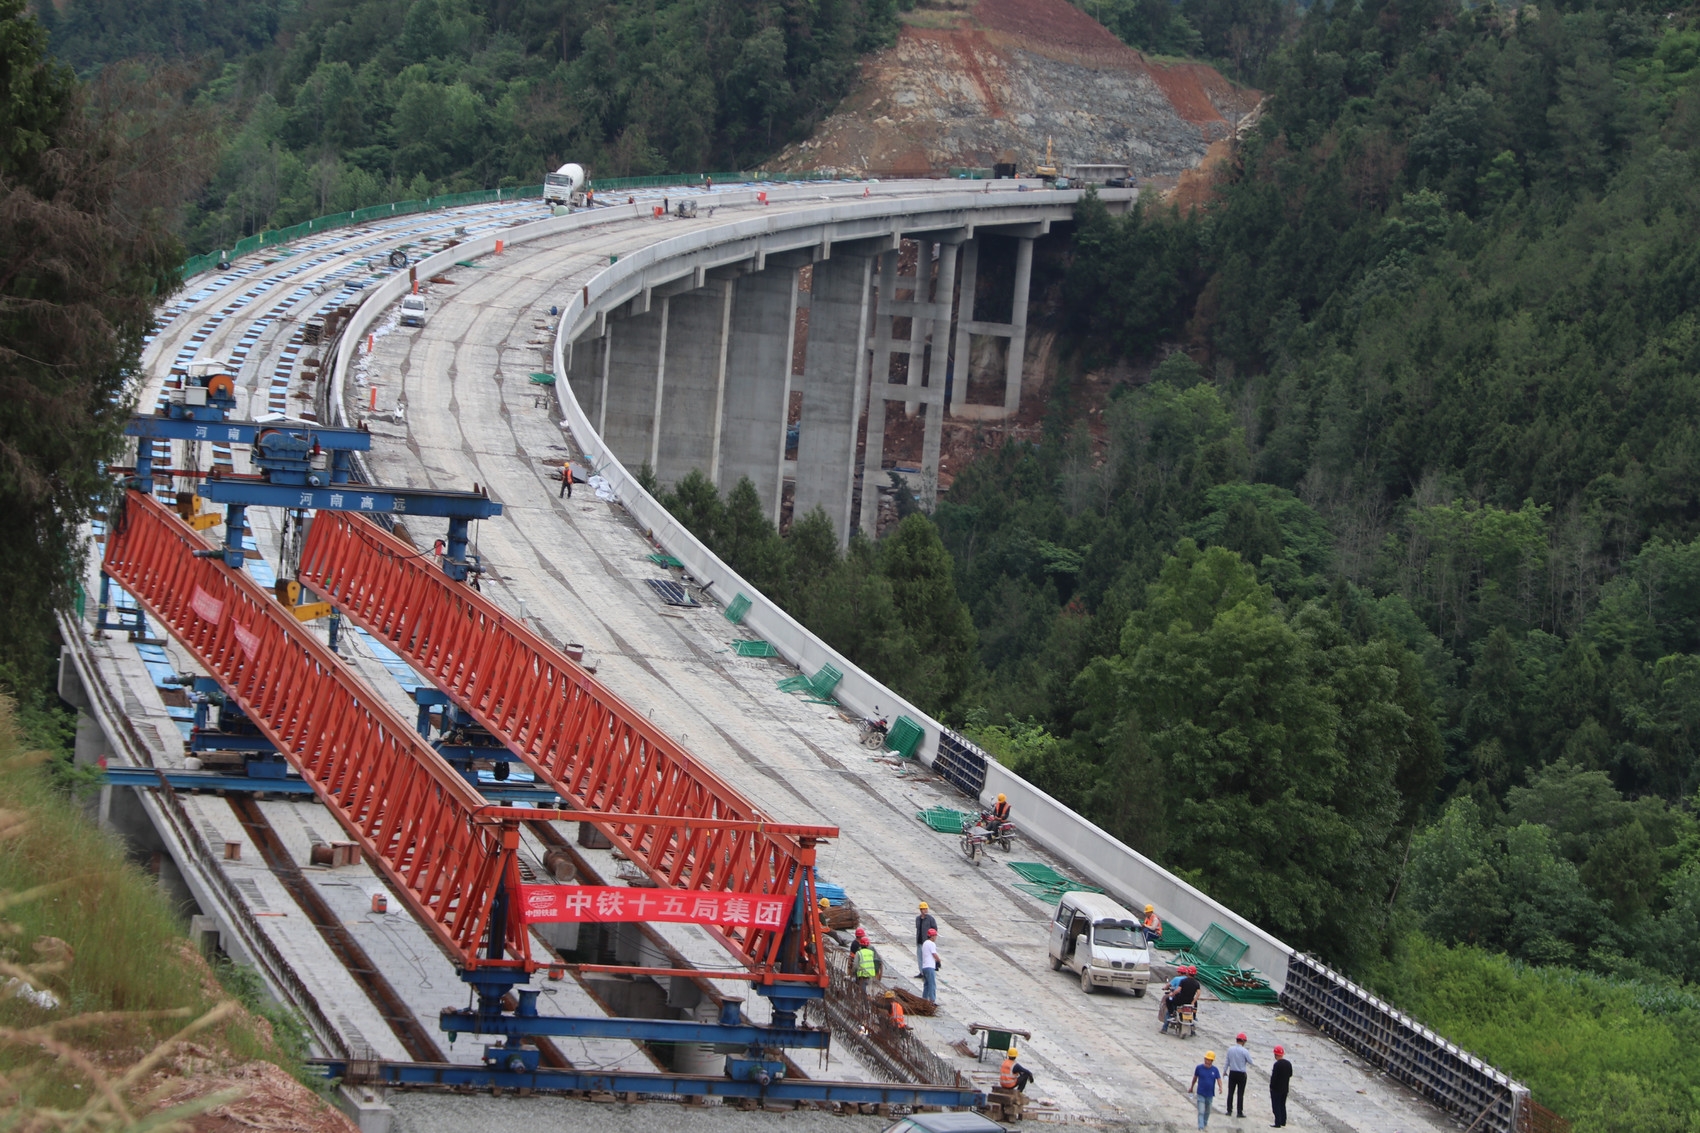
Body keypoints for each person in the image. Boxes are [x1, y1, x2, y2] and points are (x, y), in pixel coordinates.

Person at [1161, 965, 1201, 1033]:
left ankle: (1166, 1025)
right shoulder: (1197, 983)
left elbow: (1178, 990)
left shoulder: (1183, 981)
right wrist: (1193, 1001)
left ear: (1187, 973)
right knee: (1193, 1011)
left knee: (1168, 1000)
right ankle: (1193, 1028)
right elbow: (1198, 994)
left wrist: (1172, 994)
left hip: (1179, 1001)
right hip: (1189, 1002)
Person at [1189, 1051, 1221, 1129]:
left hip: (1210, 1094)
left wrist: (1220, 1087)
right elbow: (1195, 1078)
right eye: (1206, 1059)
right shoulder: (1199, 1068)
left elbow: (1218, 1079)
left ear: (1212, 1061)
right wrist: (1191, 1087)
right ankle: (1201, 1127)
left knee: (1208, 1111)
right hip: (1201, 1093)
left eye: (1209, 1060)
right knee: (1201, 1111)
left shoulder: (1215, 1070)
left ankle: (1205, 1123)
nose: (1207, 1061)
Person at [1225, 1033, 1252, 1118]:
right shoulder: (1245, 1051)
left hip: (1232, 1073)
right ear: (1243, 1041)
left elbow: (1227, 1062)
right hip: (1241, 1074)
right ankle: (1239, 1112)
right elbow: (1250, 1061)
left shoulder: (1230, 1049)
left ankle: (1229, 1110)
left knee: (1230, 1092)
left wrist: (1224, 1071)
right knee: (1240, 1094)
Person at [1270, 1046, 1292, 1128]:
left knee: (1276, 1105)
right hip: (1285, 1089)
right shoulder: (1288, 1064)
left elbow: (1274, 1077)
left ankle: (1277, 1122)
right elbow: (1290, 1074)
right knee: (1282, 1105)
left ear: (1276, 1055)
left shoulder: (1277, 1065)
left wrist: (1271, 1087)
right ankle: (1283, 1121)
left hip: (1276, 1089)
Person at [919, 926, 941, 1001]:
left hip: (924, 967)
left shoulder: (925, 943)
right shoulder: (931, 944)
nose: (936, 937)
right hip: (930, 967)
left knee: (926, 985)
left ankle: (924, 1000)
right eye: (935, 936)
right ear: (932, 936)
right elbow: (934, 954)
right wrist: (938, 961)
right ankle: (932, 1000)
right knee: (932, 985)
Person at [915, 902, 937, 975]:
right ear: (921, 910)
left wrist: (931, 938)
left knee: (926, 958)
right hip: (919, 941)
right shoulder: (918, 919)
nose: (925, 910)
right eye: (923, 909)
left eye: (926, 909)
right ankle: (921, 972)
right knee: (920, 957)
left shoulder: (930, 919)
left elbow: (935, 928)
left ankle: (926, 972)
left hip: (927, 941)